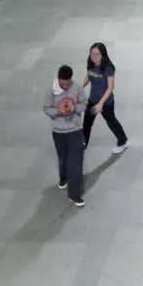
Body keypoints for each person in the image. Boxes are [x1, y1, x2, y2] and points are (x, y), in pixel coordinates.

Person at [42, 65, 86, 206]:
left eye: (68, 83)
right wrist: (59, 111)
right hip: (58, 132)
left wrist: (74, 108)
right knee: (63, 158)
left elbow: (84, 104)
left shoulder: (77, 88)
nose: (65, 86)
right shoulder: (51, 91)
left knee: (75, 162)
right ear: (58, 79)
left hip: (75, 131)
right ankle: (64, 178)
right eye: (62, 83)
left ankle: (74, 194)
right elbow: (47, 108)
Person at [82, 43, 130, 155]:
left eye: (97, 54)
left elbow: (110, 88)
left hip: (106, 103)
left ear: (103, 55)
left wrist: (100, 104)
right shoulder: (90, 63)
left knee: (111, 122)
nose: (93, 56)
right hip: (93, 100)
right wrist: (80, 88)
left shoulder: (108, 67)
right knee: (87, 123)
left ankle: (123, 141)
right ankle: (82, 147)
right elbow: (88, 76)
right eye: (92, 54)